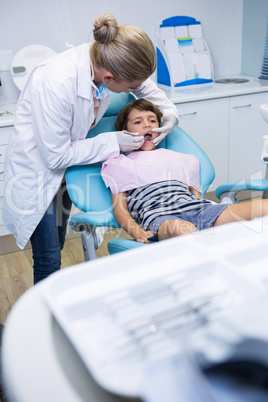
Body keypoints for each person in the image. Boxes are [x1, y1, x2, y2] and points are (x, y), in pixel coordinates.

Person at [3, 14, 178, 284]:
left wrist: (168, 116)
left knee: (57, 243)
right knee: (48, 255)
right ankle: (44, 321)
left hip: (68, 170)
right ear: (109, 78)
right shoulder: (58, 83)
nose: (135, 91)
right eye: (130, 88)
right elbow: (55, 156)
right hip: (38, 172)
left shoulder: (109, 58)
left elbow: (147, 90)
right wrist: (115, 142)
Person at [101, 99, 268, 243]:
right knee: (186, 230)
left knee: (263, 206)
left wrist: (211, 213)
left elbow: (196, 197)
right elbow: (120, 209)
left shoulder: (180, 159)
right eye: (138, 122)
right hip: (161, 217)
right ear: (124, 131)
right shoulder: (120, 164)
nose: (147, 124)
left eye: (152, 120)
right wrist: (139, 233)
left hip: (198, 209)